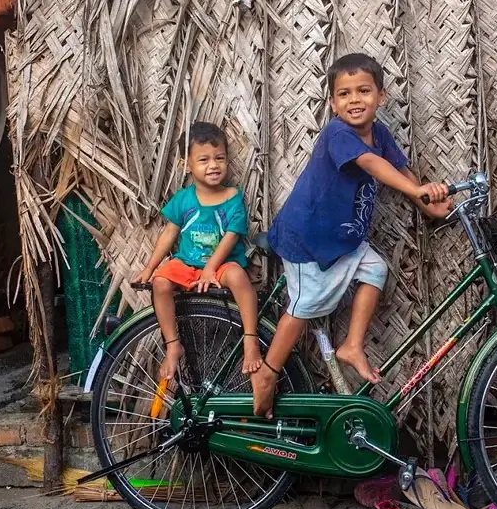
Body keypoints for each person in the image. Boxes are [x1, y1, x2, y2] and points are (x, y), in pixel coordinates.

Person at [251, 53, 452, 418]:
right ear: (332, 103)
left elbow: (399, 168)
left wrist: (425, 201)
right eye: (344, 94)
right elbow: (371, 164)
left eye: (363, 91)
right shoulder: (337, 134)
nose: (354, 100)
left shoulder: (380, 133)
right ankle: (268, 372)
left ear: (382, 96)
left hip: (342, 240)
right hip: (308, 239)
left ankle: (352, 346)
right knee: (304, 306)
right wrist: (417, 193)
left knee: (376, 270)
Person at [134, 122, 262, 386]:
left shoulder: (233, 198)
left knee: (239, 278)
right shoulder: (183, 199)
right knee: (160, 282)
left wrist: (211, 268)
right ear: (187, 165)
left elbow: (231, 237)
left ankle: (250, 339)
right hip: (187, 263)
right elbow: (169, 234)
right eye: (203, 160)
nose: (213, 165)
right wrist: (149, 267)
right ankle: (172, 344)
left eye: (219, 158)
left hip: (222, 264)